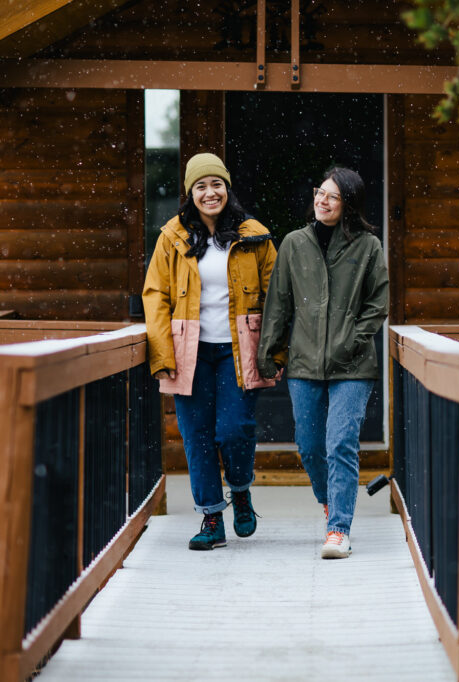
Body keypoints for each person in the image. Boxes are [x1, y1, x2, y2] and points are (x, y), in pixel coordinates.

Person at [142, 152, 281, 551]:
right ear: (190, 194)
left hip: (240, 348)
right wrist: (161, 353)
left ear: (227, 188)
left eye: (216, 184)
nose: (209, 192)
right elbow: (155, 295)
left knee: (235, 429)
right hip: (190, 351)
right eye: (200, 186)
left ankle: (240, 490)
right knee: (196, 435)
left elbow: (277, 296)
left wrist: (276, 347)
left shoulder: (255, 235)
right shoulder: (172, 236)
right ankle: (211, 518)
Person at [257, 166, 389, 559]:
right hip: (304, 363)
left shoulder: (368, 246)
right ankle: (330, 500)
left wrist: (352, 339)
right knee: (311, 446)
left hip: (353, 364)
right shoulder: (295, 244)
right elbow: (278, 303)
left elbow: (377, 302)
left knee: (341, 443)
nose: (322, 200)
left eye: (331, 196)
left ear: (348, 204)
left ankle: (338, 530)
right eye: (319, 192)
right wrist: (270, 352)